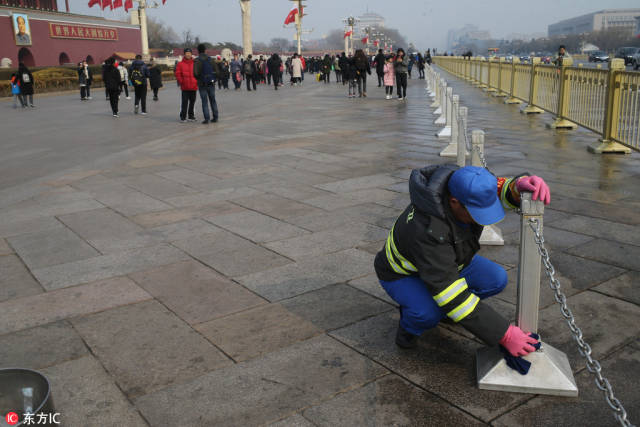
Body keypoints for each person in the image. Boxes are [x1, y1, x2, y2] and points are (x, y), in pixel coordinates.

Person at [374, 165, 550, 370]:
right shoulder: (429, 230)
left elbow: (495, 191)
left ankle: (448, 314)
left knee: (496, 278)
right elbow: (450, 294)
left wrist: (517, 187)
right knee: (427, 312)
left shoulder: (465, 185)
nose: (483, 218)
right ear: (454, 202)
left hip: (449, 261)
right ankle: (408, 326)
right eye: (477, 213)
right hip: (402, 274)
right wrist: (504, 334)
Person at [193, 43, 220, 124]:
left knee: (204, 102)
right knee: (213, 100)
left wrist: (200, 79)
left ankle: (207, 119)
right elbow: (217, 72)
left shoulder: (197, 60)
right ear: (205, 50)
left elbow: (195, 73)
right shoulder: (210, 59)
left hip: (202, 84)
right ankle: (215, 117)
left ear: (198, 51)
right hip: (211, 84)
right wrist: (214, 79)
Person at [175, 47, 198, 123]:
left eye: (189, 53)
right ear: (184, 54)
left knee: (192, 102)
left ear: (191, 54)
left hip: (193, 86)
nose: (188, 54)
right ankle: (183, 117)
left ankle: (191, 116)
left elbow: (198, 73)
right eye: (186, 53)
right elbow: (178, 74)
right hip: (185, 87)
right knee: (184, 103)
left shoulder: (195, 63)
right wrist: (182, 82)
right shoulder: (180, 64)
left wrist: (197, 81)